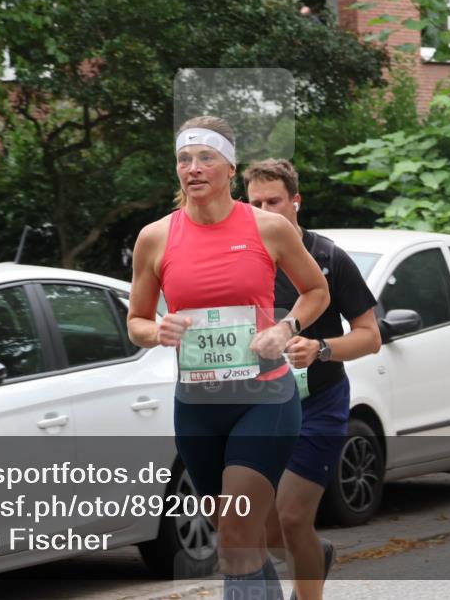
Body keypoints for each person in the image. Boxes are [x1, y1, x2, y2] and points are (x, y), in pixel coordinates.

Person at [127, 116, 330, 600]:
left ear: (231, 168)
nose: (193, 168)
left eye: (206, 158)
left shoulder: (268, 228)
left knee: (238, 531)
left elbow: (316, 291)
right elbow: (136, 321)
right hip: (197, 404)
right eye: (184, 159)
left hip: (264, 397)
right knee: (239, 538)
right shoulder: (155, 237)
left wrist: (284, 328)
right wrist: (159, 331)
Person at [245, 159, 381, 600]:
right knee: (267, 528)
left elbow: (370, 336)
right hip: (262, 405)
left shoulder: (327, 258)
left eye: (273, 201)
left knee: (291, 516)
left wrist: (321, 349)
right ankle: (314, 556)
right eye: (255, 203)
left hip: (318, 402)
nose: (264, 211)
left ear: (296, 202)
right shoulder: (241, 261)